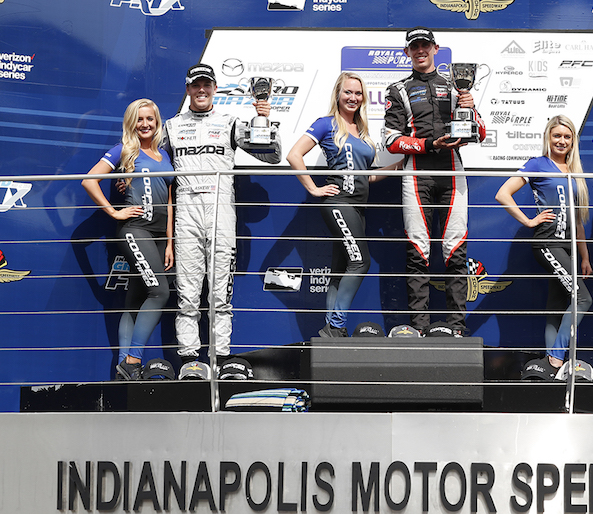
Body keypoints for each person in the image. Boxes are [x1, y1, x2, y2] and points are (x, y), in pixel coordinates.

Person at [165, 63, 281, 368]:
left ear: (215, 88)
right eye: (195, 85)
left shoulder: (230, 123)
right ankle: (190, 360)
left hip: (221, 211)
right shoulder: (171, 126)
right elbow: (148, 159)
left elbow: (273, 156)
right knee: (187, 293)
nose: (201, 90)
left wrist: (264, 121)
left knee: (220, 294)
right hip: (186, 211)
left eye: (207, 84)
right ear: (188, 89)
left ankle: (220, 357)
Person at [383, 27, 486, 335]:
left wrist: (469, 108)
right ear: (407, 52)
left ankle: (457, 329)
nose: (420, 50)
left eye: (425, 45)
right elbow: (391, 140)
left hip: (453, 172)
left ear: (435, 48)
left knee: (456, 251)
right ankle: (419, 329)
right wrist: (429, 145)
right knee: (418, 251)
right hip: (417, 174)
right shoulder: (398, 89)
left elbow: (480, 133)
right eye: (414, 46)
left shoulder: (455, 87)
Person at [287, 72, 400, 337]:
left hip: (358, 208)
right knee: (360, 262)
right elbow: (294, 155)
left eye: (358, 93)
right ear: (338, 94)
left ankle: (331, 329)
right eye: (348, 92)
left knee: (340, 269)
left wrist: (399, 166)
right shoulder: (326, 124)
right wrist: (313, 188)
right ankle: (336, 325)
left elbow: (367, 176)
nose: (353, 97)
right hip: (338, 203)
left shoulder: (361, 131)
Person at [82, 98, 174, 380]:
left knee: (136, 298)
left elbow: (170, 200)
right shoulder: (124, 150)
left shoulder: (164, 154)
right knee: (160, 293)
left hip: (159, 235)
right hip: (136, 229)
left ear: (157, 122)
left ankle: (123, 368)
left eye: (150, 119)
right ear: (131, 123)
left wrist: (170, 242)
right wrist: (114, 212)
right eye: (139, 119)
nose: (145, 124)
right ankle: (133, 360)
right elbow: (89, 180)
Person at [495, 115, 593, 378]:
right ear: (548, 137)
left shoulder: (573, 171)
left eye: (567, 137)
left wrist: (584, 257)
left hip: (568, 248)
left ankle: (550, 370)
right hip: (548, 243)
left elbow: (578, 221)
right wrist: (529, 221)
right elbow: (503, 194)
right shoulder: (538, 164)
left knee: (557, 306)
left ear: (573, 141)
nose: (562, 141)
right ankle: (556, 359)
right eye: (557, 135)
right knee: (583, 298)